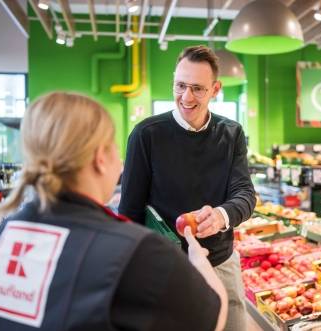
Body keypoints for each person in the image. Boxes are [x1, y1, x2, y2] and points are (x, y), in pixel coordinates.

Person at [0, 92, 227, 331]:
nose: (121, 160)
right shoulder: (136, 252)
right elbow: (212, 318)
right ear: (100, 158)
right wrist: (197, 262)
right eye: (115, 147)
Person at [119, 45, 256, 331]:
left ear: (215, 89)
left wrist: (220, 216)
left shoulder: (232, 134)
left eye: (197, 88)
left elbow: (245, 194)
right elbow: (129, 212)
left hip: (221, 262)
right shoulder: (146, 135)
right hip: (166, 268)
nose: (186, 97)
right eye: (180, 86)